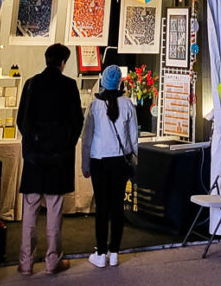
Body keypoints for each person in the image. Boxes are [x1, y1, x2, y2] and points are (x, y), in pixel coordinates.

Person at [17, 43, 84, 275]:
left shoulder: (31, 84)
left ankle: (25, 263)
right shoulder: (69, 86)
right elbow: (77, 121)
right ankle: (52, 261)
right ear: (63, 63)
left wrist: (33, 143)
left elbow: (21, 120)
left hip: (34, 158)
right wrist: (65, 145)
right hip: (58, 159)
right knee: (55, 211)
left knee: (30, 210)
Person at [82, 65, 139, 268]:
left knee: (102, 207)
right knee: (117, 207)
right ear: (119, 82)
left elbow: (86, 138)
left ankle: (100, 253)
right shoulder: (128, 104)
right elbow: (133, 137)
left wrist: (84, 163)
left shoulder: (94, 105)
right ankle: (114, 252)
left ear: (102, 81)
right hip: (120, 162)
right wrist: (135, 160)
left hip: (99, 161)